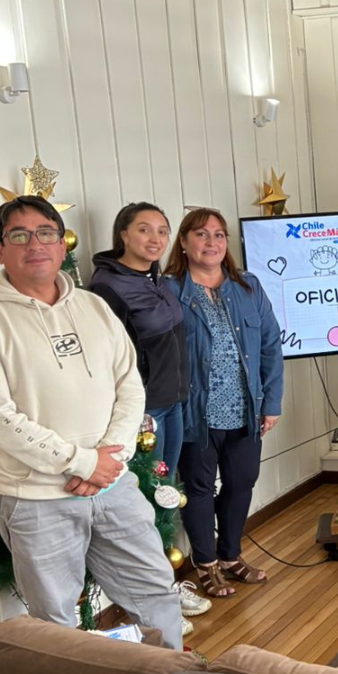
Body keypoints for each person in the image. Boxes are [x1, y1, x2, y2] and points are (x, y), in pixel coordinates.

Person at [0, 196, 183, 648]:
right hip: (37, 500)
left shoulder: (94, 308)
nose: (34, 244)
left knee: (156, 596)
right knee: (55, 624)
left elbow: (129, 385)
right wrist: (82, 463)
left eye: (46, 233)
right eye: (19, 235)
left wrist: (110, 459)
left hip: (114, 486)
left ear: (62, 245)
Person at [162, 208, 284, 600]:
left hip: (245, 409)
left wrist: (271, 401)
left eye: (218, 235)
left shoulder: (247, 286)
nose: (211, 242)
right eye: (201, 234)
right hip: (194, 413)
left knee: (242, 482)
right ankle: (206, 563)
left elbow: (270, 345)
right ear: (184, 242)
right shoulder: (169, 291)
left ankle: (230, 556)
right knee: (198, 488)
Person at [89, 202, 188, 478]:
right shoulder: (107, 286)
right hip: (144, 408)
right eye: (144, 230)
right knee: (148, 489)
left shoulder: (156, 279)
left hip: (173, 400)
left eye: (162, 231)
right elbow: (105, 356)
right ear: (124, 235)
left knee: (167, 486)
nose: (155, 239)